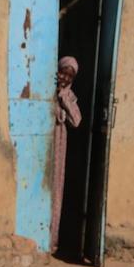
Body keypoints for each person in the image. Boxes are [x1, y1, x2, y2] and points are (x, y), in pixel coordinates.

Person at [50, 56, 82, 252]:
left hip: (58, 146)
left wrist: (63, 96)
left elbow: (76, 121)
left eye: (70, 75)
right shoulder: (46, 90)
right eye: (63, 72)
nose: (65, 77)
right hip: (43, 144)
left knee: (55, 191)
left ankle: (51, 240)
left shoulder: (69, 97)